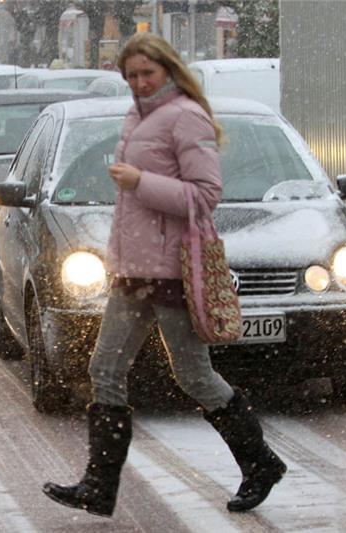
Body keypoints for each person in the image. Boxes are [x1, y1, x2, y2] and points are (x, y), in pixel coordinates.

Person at [42, 32, 287, 518]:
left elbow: (204, 194)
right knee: (104, 369)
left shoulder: (187, 117)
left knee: (193, 375)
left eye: (146, 74)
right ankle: (99, 485)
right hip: (133, 272)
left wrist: (141, 182)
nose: (138, 83)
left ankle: (260, 462)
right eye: (130, 75)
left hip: (172, 272)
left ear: (168, 70)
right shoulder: (137, 117)